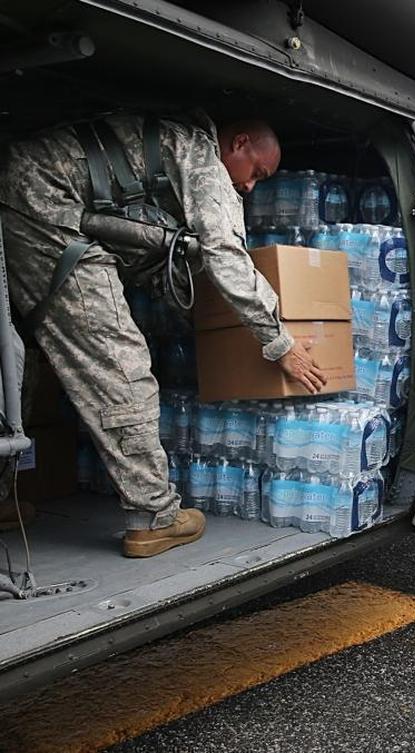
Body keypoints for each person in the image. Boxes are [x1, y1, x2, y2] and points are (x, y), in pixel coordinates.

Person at [0, 111, 326, 557]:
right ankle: (153, 517)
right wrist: (279, 342)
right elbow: (225, 252)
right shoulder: (200, 155)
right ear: (239, 143)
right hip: (45, 212)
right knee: (120, 365)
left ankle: (0, 501)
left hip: (24, 197)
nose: (251, 187)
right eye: (257, 173)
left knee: (14, 356)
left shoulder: (168, 146)